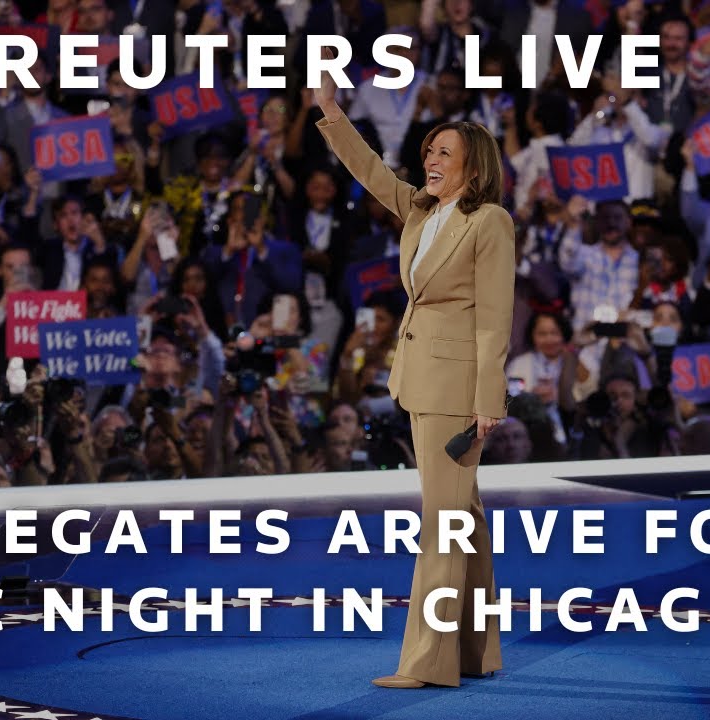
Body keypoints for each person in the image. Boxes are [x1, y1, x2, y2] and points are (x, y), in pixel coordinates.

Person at [315, 50, 511, 689]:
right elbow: (371, 171)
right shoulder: (425, 212)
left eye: (443, 155)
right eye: (428, 152)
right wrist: (330, 113)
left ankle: (428, 663)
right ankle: (478, 651)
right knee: (464, 515)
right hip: (422, 379)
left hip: (458, 389)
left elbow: (493, 319)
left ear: (472, 167)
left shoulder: (490, 223)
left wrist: (489, 401)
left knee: (443, 523)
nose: (430, 161)